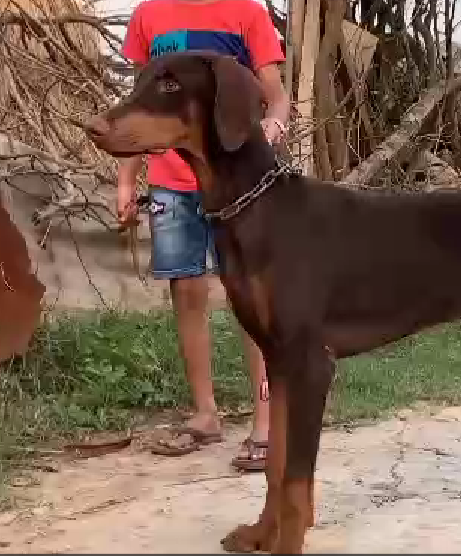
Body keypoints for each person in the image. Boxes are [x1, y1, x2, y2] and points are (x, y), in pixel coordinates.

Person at [118, 0, 290, 471]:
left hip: (236, 184)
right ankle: (205, 415)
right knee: (188, 291)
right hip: (171, 183)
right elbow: (139, 107)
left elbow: (274, 94)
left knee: (252, 299)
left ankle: (266, 422)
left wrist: (273, 124)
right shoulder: (148, 16)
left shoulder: (246, 13)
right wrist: (127, 180)